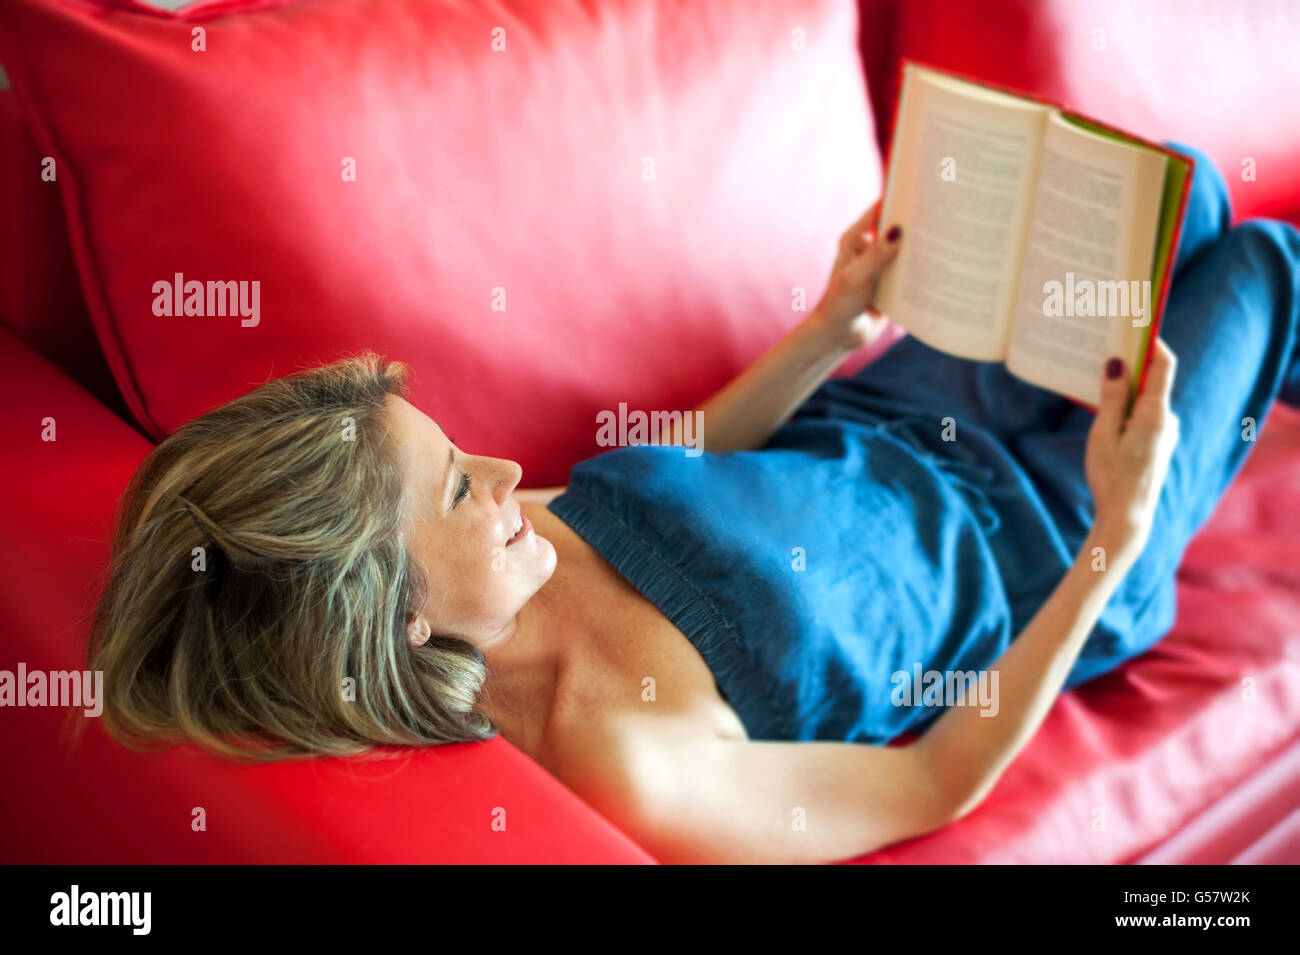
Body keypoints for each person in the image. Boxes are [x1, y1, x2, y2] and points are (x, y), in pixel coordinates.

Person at [88, 144, 1300, 863]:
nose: (508, 474)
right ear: (395, 621)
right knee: (1259, 267)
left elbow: (675, 466)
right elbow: (932, 785)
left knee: (1175, 198)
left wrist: (827, 330)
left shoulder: (512, 557)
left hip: (900, 418)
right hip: (1049, 536)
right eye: (459, 484)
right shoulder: (629, 763)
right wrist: (1117, 534)